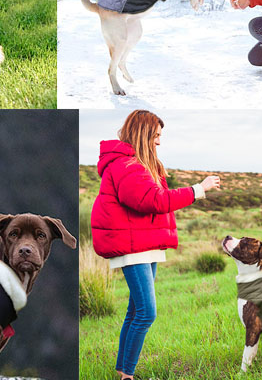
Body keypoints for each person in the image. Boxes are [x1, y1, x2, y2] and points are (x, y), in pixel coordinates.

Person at [90, 110, 221, 380]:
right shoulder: (126, 166)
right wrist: (198, 189)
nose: (159, 142)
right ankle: (127, 375)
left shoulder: (136, 164)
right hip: (133, 247)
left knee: (136, 311)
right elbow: (154, 200)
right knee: (147, 313)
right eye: (156, 136)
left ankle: (122, 372)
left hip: (143, 243)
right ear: (143, 134)